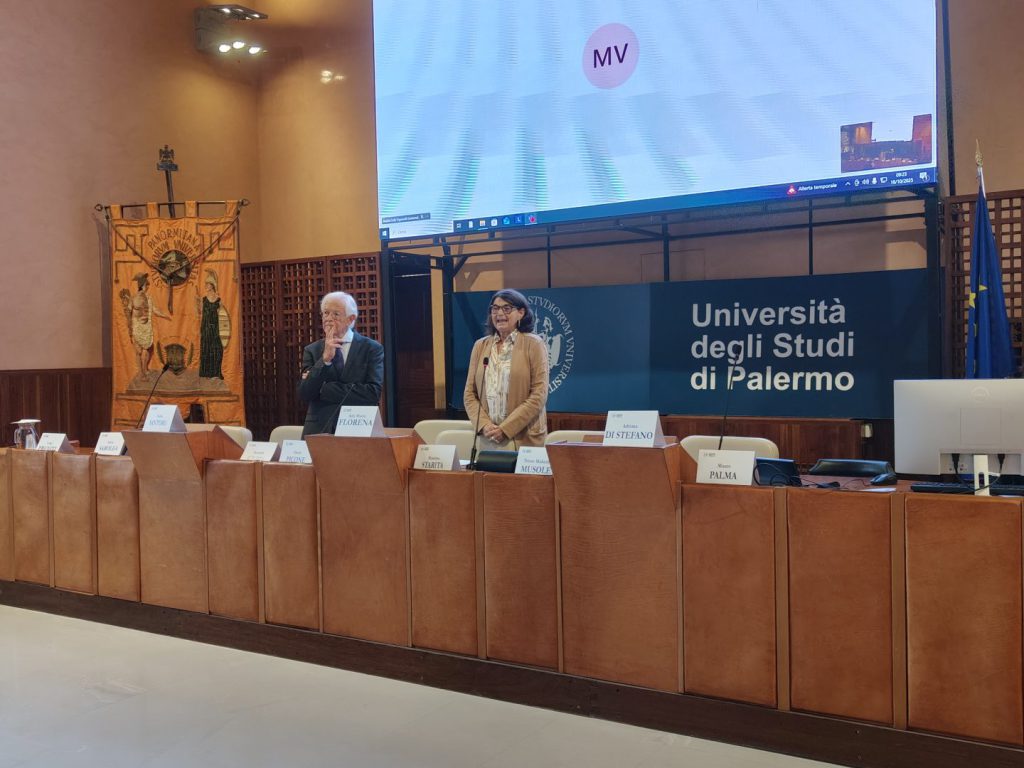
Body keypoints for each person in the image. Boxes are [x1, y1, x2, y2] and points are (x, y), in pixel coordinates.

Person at [463, 288, 549, 449]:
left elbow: (539, 394)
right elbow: (469, 394)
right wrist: (484, 425)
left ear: (521, 313)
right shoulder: (480, 345)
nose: (500, 313)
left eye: (507, 308)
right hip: (489, 437)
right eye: (495, 308)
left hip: (524, 438)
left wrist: (506, 429)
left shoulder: (534, 344)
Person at [298, 291, 384, 437]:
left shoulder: (371, 348)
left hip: (357, 427)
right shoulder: (312, 350)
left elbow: (372, 393)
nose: (328, 319)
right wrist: (325, 360)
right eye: (326, 313)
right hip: (319, 429)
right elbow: (305, 393)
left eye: (336, 314)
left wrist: (324, 389)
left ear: (351, 319)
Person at [197, 270, 224, 379]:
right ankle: (206, 373)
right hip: (206, 328)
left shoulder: (219, 300)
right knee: (206, 350)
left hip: (215, 328)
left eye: (207, 284)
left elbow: (222, 315)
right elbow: (199, 312)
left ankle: (216, 373)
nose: (206, 286)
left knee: (216, 349)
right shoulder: (203, 300)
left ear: (212, 285)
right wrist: (196, 302)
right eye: (205, 284)